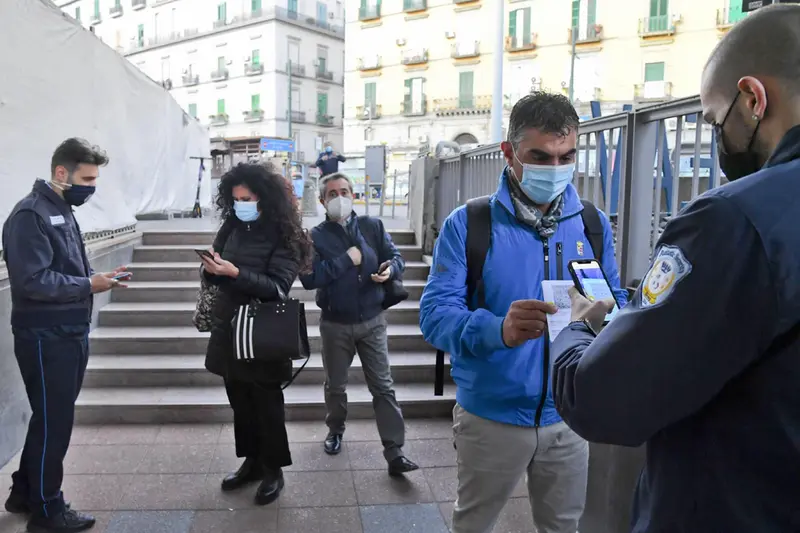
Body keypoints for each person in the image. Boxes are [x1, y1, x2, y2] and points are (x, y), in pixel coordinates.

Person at [550, 5, 800, 532]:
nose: (716, 137)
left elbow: (606, 400)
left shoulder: (734, 220)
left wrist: (575, 329)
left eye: (714, 119)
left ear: (753, 99)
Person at [419, 93, 627, 533]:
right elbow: (435, 315)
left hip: (569, 413)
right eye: (540, 156)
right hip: (491, 415)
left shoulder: (592, 223)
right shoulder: (469, 223)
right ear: (509, 152)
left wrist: (609, 314)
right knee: (474, 523)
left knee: (563, 525)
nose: (555, 168)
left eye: (566, 156)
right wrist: (499, 330)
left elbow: (613, 298)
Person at [2, 138, 126, 533]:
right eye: (87, 178)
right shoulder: (30, 214)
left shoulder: (60, 208)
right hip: (45, 335)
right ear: (61, 173)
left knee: (50, 419)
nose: (91, 187)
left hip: (66, 330)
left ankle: (25, 491)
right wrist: (90, 284)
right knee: (55, 422)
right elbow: (33, 280)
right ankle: (47, 511)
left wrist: (93, 281)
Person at [202, 163, 311, 506]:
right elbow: (218, 273)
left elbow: (277, 288)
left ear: (265, 199)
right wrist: (212, 270)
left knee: (267, 404)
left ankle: (273, 469)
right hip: (229, 327)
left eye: (246, 199)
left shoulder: (287, 236)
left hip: (263, 331)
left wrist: (235, 272)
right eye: (234, 199)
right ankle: (250, 462)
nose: (239, 205)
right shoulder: (232, 227)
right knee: (239, 401)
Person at [299, 172, 419, 476]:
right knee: (336, 385)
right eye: (332, 193)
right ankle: (335, 429)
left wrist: (390, 269)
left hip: (372, 320)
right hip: (335, 323)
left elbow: (396, 257)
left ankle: (394, 452)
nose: (339, 197)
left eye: (345, 191)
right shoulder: (315, 236)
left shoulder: (372, 226)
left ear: (354, 195)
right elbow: (310, 278)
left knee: (383, 386)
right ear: (324, 201)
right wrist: (346, 260)